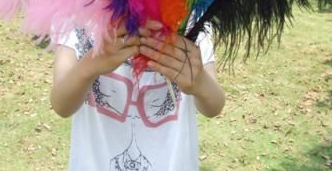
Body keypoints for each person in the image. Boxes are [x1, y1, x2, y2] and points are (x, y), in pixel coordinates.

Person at [51, 19, 225, 170]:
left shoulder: (191, 15)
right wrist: (89, 66)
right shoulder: (78, 14)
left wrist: (199, 82)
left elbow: (213, 106)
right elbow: (61, 104)